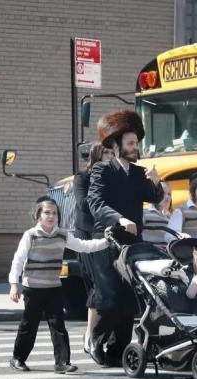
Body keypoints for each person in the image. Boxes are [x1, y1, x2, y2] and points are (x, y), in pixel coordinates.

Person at [87, 109, 164, 366]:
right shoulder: (102, 170)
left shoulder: (139, 172)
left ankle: (118, 350)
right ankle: (95, 341)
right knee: (108, 297)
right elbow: (95, 202)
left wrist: (157, 182)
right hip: (105, 239)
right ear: (116, 145)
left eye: (136, 143)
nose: (135, 147)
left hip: (132, 244)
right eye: (130, 143)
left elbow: (155, 198)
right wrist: (119, 219)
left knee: (127, 298)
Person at [8, 198, 110, 374]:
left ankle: (62, 363)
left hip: (54, 287)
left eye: (54, 213)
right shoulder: (30, 235)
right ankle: (18, 358)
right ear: (38, 215)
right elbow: (18, 260)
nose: (51, 216)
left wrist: (106, 241)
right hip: (33, 288)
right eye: (47, 212)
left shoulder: (62, 235)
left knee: (58, 326)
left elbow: (83, 246)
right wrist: (14, 285)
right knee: (29, 325)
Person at [73, 142, 114, 354]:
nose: (109, 156)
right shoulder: (82, 178)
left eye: (111, 152)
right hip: (87, 235)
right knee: (97, 284)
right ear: (96, 155)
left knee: (108, 287)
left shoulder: (115, 178)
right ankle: (91, 335)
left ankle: (100, 334)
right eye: (105, 152)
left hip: (107, 235)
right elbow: (83, 204)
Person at [142, 181, 172, 248]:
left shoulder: (170, 217)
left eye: (169, 194)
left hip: (169, 255)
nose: (167, 197)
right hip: (151, 254)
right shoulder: (144, 213)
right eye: (163, 193)